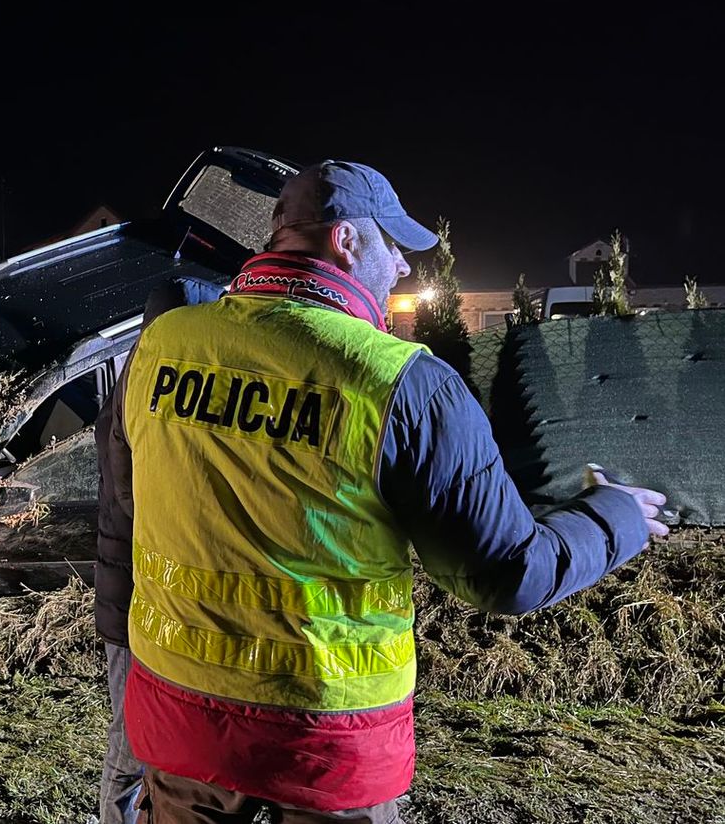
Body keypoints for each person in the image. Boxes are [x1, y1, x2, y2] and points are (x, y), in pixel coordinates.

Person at [106, 160, 668, 824]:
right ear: (346, 240)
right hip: (323, 754)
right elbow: (508, 574)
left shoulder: (160, 347)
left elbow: (130, 510)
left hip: (179, 732)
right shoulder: (400, 382)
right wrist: (616, 517)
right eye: (392, 244)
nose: (402, 267)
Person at [95, 277, 224, 824]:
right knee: (131, 752)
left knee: (156, 748)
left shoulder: (154, 390)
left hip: (152, 607)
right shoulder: (143, 400)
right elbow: (139, 504)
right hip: (135, 609)